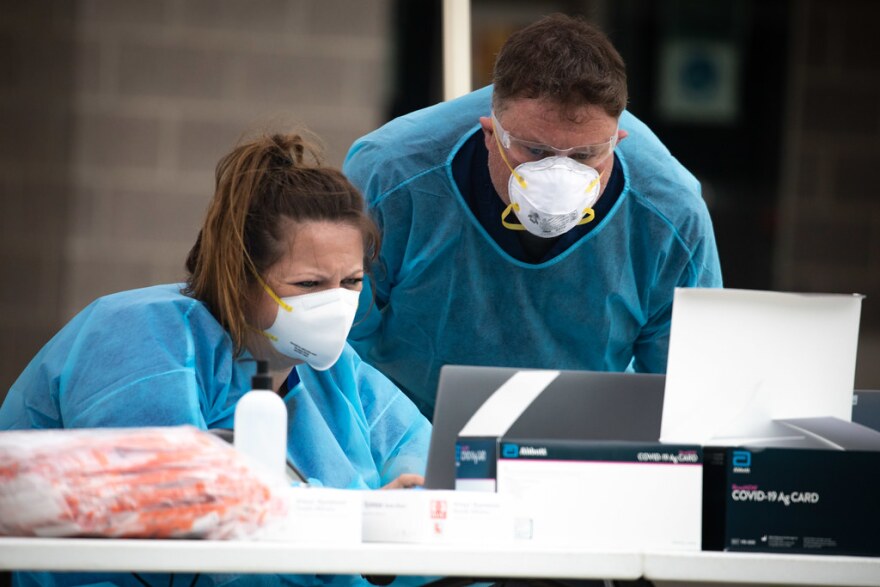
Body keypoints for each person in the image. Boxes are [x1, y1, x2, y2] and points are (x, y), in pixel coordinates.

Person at [0, 132, 431, 587]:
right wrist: (355, 520)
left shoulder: (339, 372)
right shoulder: (141, 335)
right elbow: (170, 515)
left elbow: (417, 456)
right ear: (240, 274)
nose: (335, 304)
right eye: (308, 285)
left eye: (351, 282)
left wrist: (412, 500)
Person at [343, 13, 723, 419]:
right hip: (407, 427)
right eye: (535, 152)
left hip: (583, 436)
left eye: (585, 156)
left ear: (618, 141)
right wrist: (392, 449)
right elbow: (340, 351)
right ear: (490, 133)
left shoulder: (668, 212)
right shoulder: (394, 175)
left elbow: (686, 394)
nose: (559, 177)